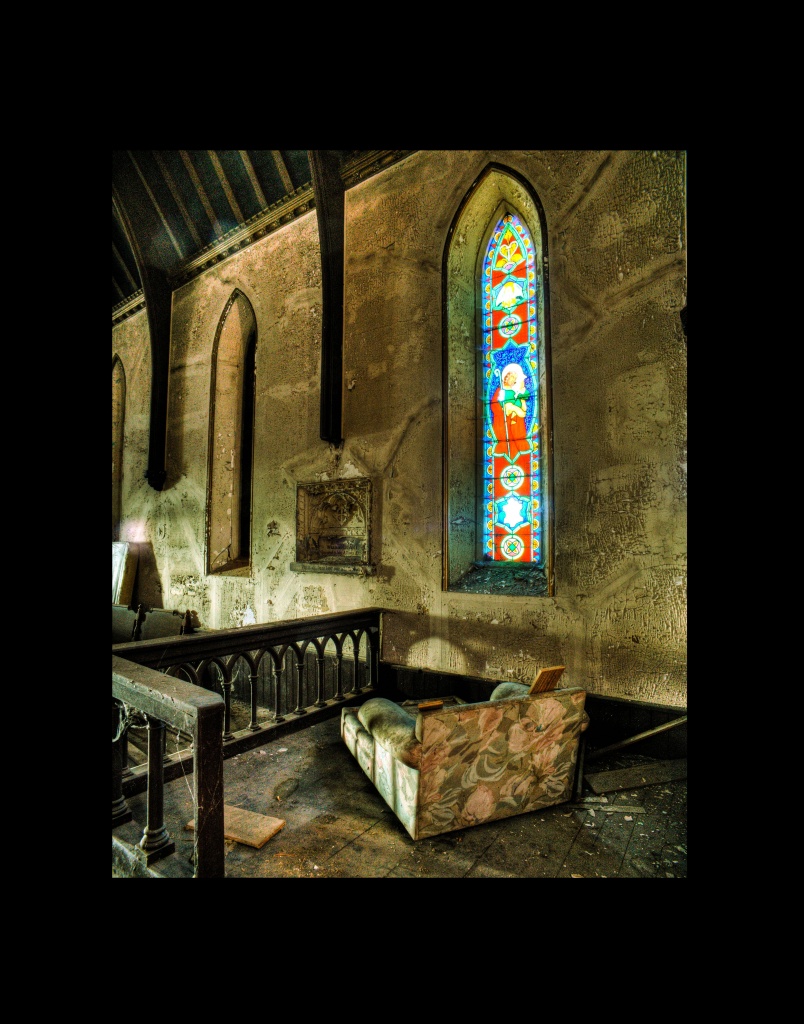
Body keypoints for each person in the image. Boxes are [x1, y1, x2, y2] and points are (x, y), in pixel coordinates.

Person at [491, 363, 530, 460]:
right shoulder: (500, 391)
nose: (514, 380)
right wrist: (506, 409)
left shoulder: (515, 391)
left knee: (519, 440)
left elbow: (522, 400)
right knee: (505, 443)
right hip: (503, 423)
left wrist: (518, 407)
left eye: (515, 378)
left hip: (517, 422)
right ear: (506, 377)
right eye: (513, 377)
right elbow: (494, 405)